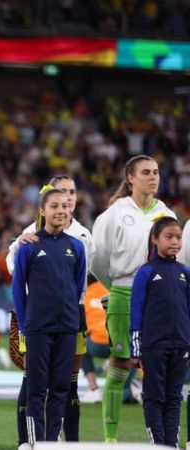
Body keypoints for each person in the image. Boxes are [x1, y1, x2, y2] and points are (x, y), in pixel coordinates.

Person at [89, 155, 176, 443]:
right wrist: (115, 288)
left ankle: (160, 436)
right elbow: (98, 260)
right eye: (146, 173)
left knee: (157, 365)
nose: (154, 177)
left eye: (156, 172)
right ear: (130, 178)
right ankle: (110, 437)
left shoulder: (165, 214)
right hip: (123, 292)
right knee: (121, 364)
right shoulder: (114, 214)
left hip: (159, 295)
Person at [6, 174, 92, 444]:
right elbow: (18, 288)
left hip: (67, 327)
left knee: (60, 389)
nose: (61, 211)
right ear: (42, 211)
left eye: (65, 206)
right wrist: (24, 324)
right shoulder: (28, 246)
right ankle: (34, 443)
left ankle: (52, 442)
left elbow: (77, 286)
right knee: (36, 389)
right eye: (54, 206)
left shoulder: (77, 246)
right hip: (37, 327)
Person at [130, 217, 190, 447]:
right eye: (169, 237)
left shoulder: (185, 272)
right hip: (154, 345)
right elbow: (137, 311)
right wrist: (136, 348)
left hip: (180, 345)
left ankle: (171, 445)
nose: (175, 242)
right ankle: (158, 444)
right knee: (154, 397)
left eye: (178, 237)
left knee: (174, 398)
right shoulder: (146, 272)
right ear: (155, 239)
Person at [79, 280, 110, 404]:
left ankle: (94, 389)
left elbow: (82, 327)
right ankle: (129, 387)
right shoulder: (109, 288)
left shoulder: (85, 295)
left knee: (80, 346)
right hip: (118, 341)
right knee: (131, 350)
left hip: (98, 343)